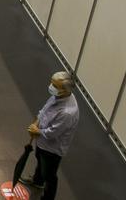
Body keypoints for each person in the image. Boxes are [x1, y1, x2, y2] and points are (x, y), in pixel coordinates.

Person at [20, 72, 80, 200]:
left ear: (64, 90)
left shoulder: (67, 112)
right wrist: (36, 122)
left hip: (52, 148)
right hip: (42, 141)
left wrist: (37, 131)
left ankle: (48, 197)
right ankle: (37, 181)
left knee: (49, 174)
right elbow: (45, 110)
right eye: (52, 83)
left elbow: (53, 133)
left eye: (55, 85)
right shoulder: (58, 96)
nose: (51, 86)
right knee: (39, 160)